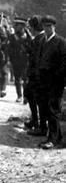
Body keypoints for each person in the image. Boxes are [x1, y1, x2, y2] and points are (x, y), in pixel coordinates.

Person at [36, 15, 66, 149]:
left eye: (49, 26)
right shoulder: (42, 41)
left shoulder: (61, 42)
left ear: (54, 27)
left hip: (55, 81)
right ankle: (57, 136)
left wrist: (58, 77)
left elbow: (64, 63)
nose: (47, 28)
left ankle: (52, 139)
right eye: (44, 26)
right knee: (46, 109)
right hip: (43, 80)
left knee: (53, 109)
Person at [25, 16, 46, 136]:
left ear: (34, 27)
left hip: (37, 75)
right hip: (35, 73)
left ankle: (40, 126)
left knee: (39, 99)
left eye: (30, 26)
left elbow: (34, 57)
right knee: (29, 94)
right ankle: (35, 120)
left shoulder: (40, 39)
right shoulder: (38, 38)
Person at [6, 17, 31, 104]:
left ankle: (26, 97)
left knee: (25, 79)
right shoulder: (12, 37)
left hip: (25, 61)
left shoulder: (28, 37)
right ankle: (19, 96)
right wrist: (9, 60)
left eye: (18, 25)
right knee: (17, 79)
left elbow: (31, 49)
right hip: (15, 60)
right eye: (16, 25)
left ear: (23, 26)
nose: (16, 27)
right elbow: (9, 49)